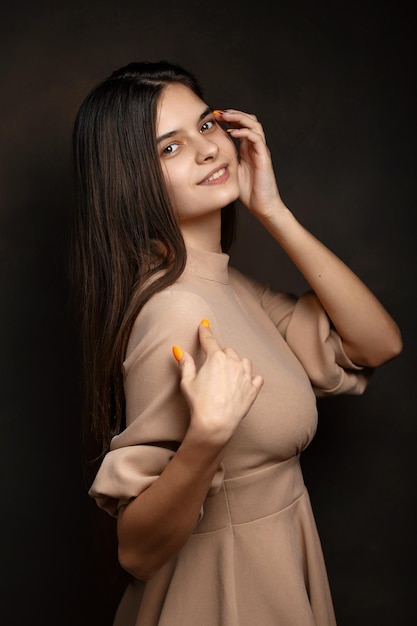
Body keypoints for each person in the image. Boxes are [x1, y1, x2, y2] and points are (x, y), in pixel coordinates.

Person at [71, 60, 402, 626]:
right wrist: (206, 439)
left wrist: (272, 211)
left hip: (273, 575)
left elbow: (376, 344)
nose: (207, 151)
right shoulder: (177, 309)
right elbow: (137, 550)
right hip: (223, 596)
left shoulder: (225, 285)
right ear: (131, 178)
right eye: (168, 148)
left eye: (205, 127)